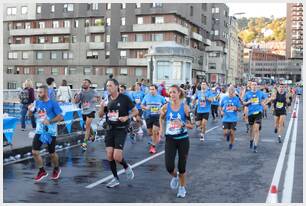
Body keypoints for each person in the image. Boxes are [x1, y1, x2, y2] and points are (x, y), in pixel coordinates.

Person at [98, 78, 138, 188]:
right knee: (109, 155)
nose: (108, 88)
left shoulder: (125, 98)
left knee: (117, 157)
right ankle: (115, 178)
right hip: (110, 129)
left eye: (110, 85)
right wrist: (102, 107)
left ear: (116, 86)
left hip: (121, 129)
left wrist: (127, 117)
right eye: (107, 86)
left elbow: (135, 111)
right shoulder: (106, 99)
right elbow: (100, 115)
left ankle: (126, 166)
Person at [159, 85, 193, 198]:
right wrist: (161, 129)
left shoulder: (185, 108)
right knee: (169, 166)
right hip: (170, 140)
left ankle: (182, 188)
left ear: (179, 93)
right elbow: (161, 118)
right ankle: (175, 176)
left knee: (182, 167)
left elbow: (191, 125)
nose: (172, 95)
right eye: (170, 93)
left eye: (174, 92)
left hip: (183, 140)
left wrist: (182, 124)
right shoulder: (165, 107)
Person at [28, 85, 63, 182]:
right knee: (35, 152)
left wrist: (50, 121)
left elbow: (60, 117)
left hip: (50, 132)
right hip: (40, 131)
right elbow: (29, 115)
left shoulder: (53, 103)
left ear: (46, 93)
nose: (38, 94)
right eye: (37, 92)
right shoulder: (37, 102)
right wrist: (29, 109)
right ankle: (42, 171)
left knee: (51, 153)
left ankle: (56, 168)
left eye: (40, 92)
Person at [74, 79, 101, 151]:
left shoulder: (93, 91)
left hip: (91, 110)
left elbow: (99, 98)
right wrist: (78, 94)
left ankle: (85, 143)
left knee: (87, 126)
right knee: (87, 125)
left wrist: (96, 99)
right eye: (83, 83)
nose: (84, 84)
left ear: (89, 84)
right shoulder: (81, 92)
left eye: (85, 83)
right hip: (84, 111)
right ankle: (93, 135)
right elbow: (76, 101)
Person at [243, 81, 267, 153]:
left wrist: (263, 102)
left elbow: (266, 98)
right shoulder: (247, 94)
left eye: (255, 85)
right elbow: (243, 103)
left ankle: (255, 145)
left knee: (256, 129)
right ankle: (251, 139)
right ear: (250, 86)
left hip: (258, 112)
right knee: (251, 129)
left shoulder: (260, 93)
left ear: (257, 86)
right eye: (253, 85)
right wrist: (248, 102)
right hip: (250, 113)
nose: (254, 86)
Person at [141, 85, 166, 154]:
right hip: (148, 116)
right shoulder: (146, 96)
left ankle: (153, 147)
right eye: (150, 89)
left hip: (157, 116)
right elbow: (142, 105)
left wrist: (162, 110)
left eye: (153, 89)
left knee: (154, 131)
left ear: (156, 90)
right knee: (150, 133)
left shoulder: (160, 97)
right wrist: (146, 108)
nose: (151, 91)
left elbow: (165, 105)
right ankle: (156, 136)